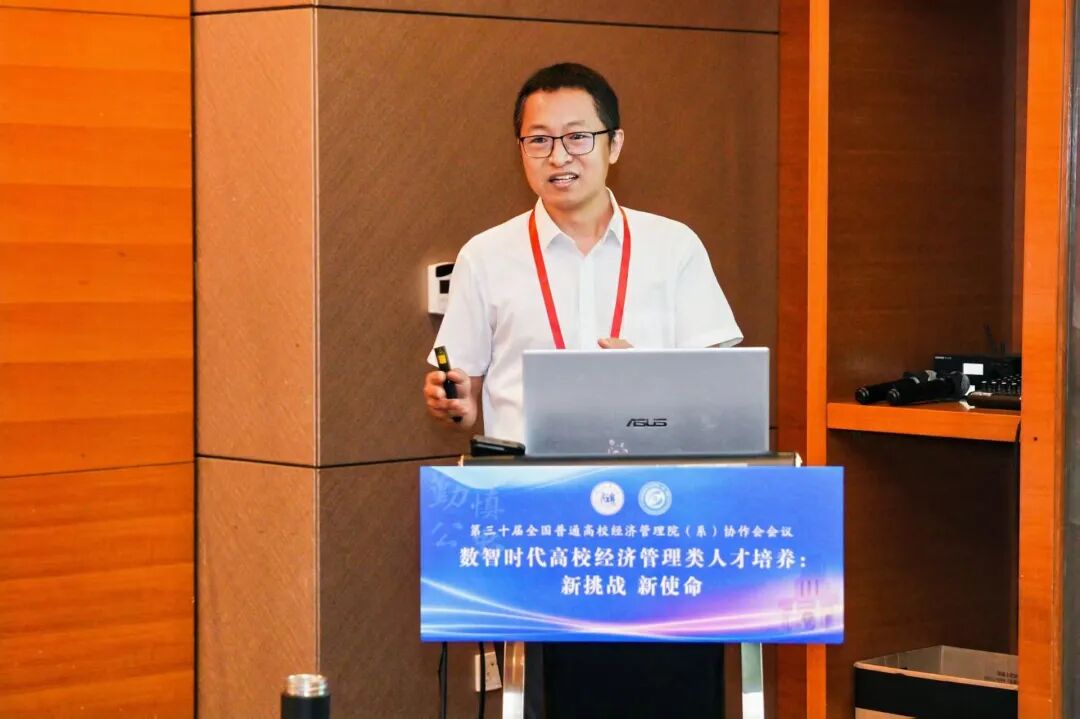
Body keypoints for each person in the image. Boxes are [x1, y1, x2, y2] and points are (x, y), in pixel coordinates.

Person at [424, 62, 742, 442]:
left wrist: (649, 377)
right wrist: (455, 405)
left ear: (615, 145)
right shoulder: (483, 256)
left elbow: (718, 394)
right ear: (520, 150)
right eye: (539, 140)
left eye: (577, 137)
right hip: (529, 474)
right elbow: (464, 400)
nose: (558, 157)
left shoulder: (674, 247)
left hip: (649, 471)